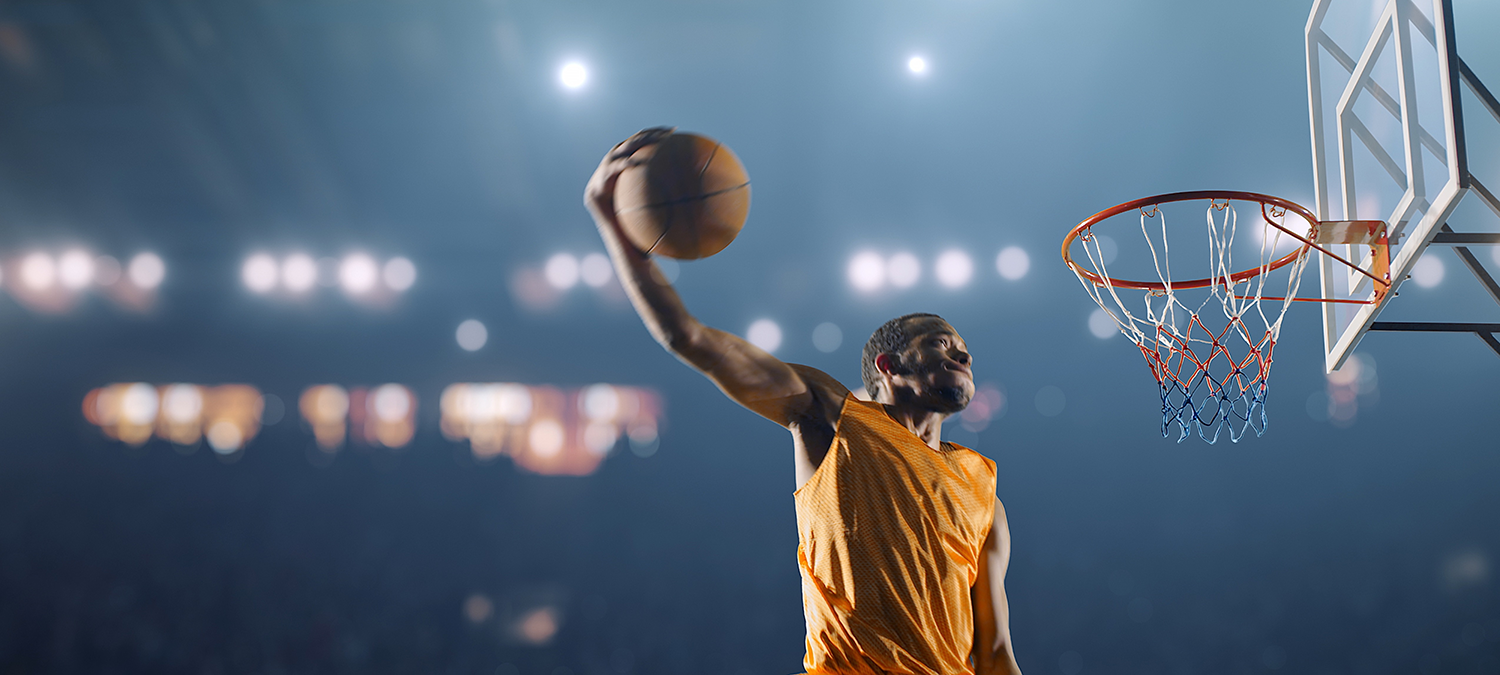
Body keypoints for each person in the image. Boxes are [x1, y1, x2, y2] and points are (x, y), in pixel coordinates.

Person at [585, 128, 1023, 675]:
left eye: (964, 351)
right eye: (940, 344)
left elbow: (996, 652)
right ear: (888, 366)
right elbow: (688, 338)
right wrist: (611, 220)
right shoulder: (831, 416)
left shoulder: (985, 492)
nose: (962, 356)